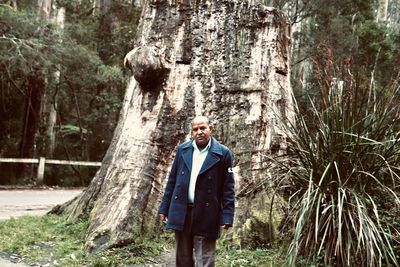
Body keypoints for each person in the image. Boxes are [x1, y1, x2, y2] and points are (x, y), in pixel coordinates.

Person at [158, 116, 235, 267]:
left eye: (203, 128)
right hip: (182, 212)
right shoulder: (183, 150)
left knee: (205, 259)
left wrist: (227, 216)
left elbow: (228, 188)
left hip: (207, 213)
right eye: (195, 129)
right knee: (183, 259)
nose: (199, 132)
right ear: (192, 132)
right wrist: (164, 207)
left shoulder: (223, 153)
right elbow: (172, 181)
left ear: (210, 129)